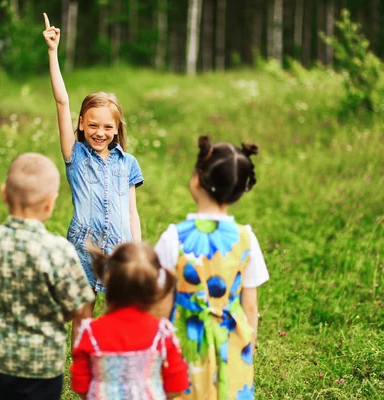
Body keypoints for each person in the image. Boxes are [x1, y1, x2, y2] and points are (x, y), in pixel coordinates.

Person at [42, 13, 144, 346]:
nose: (100, 132)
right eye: (93, 125)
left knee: (120, 314)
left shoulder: (127, 163)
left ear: (117, 129)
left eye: (108, 127)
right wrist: (53, 53)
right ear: (82, 125)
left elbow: (132, 212)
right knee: (83, 315)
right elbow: (61, 100)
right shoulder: (76, 156)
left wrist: (137, 251)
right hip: (83, 250)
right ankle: (80, 370)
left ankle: (115, 367)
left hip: (119, 250)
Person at [0, 153, 95, 400]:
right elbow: (81, 308)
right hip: (44, 368)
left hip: (0, 363)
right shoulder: (58, 250)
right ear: (50, 203)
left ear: (4, 194)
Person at [154, 136, 269, 400]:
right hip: (232, 341)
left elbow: (160, 300)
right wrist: (247, 345)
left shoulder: (174, 237)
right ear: (240, 191)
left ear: (196, 179)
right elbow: (250, 305)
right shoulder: (246, 238)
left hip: (186, 340)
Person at [70, 242, 189, 399]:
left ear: (109, 281)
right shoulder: (162, 333)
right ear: (155, 288)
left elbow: (80, 385)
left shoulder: (91, 333)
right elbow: (178, 385)